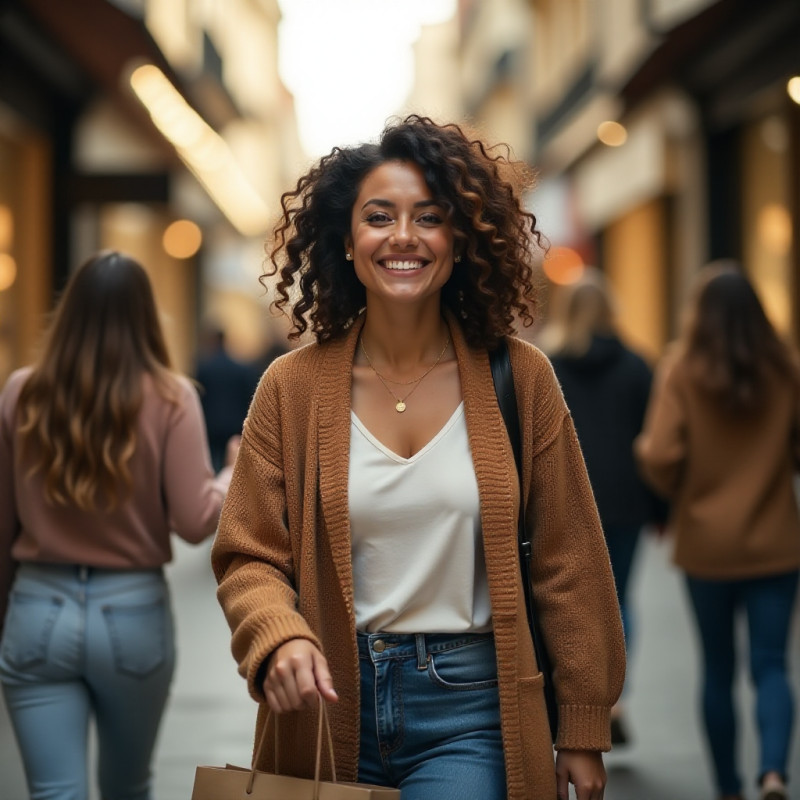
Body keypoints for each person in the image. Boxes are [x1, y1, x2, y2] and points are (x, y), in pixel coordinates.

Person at [211, 115, 625, 800]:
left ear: (459, 240)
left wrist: (582, 725)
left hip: (470, 709)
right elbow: (247, 550)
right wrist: (278, 636)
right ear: (347, 241)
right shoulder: (290, 388)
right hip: (326, 705)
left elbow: (569, 559)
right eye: (380, 217)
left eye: (428, 218)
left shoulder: (521, 379)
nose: (403, 236)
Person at [0, 251, 237, 800]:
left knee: (54, 792)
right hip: (132, 614)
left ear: (70, 311)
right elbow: (195, 522)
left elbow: (3, 522)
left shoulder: (21, 392)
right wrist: (230, 472)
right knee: (129, 786)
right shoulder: (171, 396)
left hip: (38, 607)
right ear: (144, 316)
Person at [635, 263, 800, 800]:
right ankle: (773, 772)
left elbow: (659, 454)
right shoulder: (785, 367)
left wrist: (677, 484)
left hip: (705, 545)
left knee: (717, 670)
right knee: (772, 665)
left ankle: (728, 789)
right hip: (776, 541)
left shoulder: (681, 368)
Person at [544, 268, 668, 746]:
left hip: (566, 498)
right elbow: (651, 441)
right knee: (618, 601)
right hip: (626, 501)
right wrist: (661, 510)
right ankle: (617, 699)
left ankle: (574, 703)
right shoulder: (638, 366)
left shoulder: (548, 364)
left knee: (570, 599)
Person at [195, 323, 259, 472]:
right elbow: (249, 398)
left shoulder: (204, 368)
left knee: (213, 465)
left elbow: (199, 398)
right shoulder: (241, 369)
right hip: (234, 426)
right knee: (232, 466)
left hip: (210, 426)